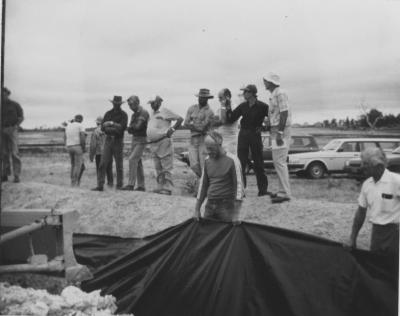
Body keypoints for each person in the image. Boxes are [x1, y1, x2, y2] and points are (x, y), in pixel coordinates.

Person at [348, 147, 399, 256]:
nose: (362, 167)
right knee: (377, 266)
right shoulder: (367, 184)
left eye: (366, 164)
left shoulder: (396, 181)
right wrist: (353, 237)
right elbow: (361, 212)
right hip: (377, 233)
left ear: (378, 166)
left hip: (395, 233)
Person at [225, 84, 269, 196]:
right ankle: (241, 191)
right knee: (241, 163)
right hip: (243, 134)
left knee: (259, 163)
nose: (243, 94)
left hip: (255, 135)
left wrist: (264, 127)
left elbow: (273, 118)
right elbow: (231, 119)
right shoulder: (242, 106)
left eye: (245, 92)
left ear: (252, 93)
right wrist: (228, 107)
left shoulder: (263, 106)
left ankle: (263, 191)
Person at [194, 131, 244, 221]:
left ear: (219, 145)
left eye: (211, 149)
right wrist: (197, 209)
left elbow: (239, 188)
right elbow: (203, 186)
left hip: (226, 207)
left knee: (227, 234)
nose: (208, 152)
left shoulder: (233, 161)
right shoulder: (207, 161)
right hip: (209, 205)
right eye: (207, 148)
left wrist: (236, 214)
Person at [263, 73, 292, 203]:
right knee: (278, 161)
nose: (264, 82)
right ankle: (282, 191)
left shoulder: (280, 93)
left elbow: (284, 112)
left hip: (281, 130)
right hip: (275, 129)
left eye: (266, 81)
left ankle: (285, 193)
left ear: (271, 82)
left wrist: (280, 132)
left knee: (279, 161)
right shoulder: (274, 94)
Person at [147, 96, 183, 195]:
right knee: (158, 166)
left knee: (167, 166)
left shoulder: (165, 111)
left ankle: (168, 188)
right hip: (154, 144)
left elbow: (180, 119)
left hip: (164, 142)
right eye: (151, 104)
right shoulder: (152, 115)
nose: (152, 105)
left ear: (159, 103)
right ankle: (160, 186)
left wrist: (173, 129)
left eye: (154, 103)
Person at [92, 95, 128, 191]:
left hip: (118, 140)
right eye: (115, 103)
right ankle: (100, 185)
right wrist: (115, 127)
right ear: (113, 103)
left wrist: (111, 123)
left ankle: (119, 185)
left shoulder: (124, 115)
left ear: (120, 104)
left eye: (118, 104)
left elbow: (121, 129)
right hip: (108, 140)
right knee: (103, 162)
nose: (116, 105)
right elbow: (103, 128)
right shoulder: (108, 113)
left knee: (119, 164)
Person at [184, 88, 215, 177]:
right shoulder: (192, 108)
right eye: (200, 97)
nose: (201, 99)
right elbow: (185, 123)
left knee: (203, 164)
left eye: (203, 97)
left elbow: (203, 128)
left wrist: (192, 126)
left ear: (207, 99)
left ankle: (203, 183)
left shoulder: (210, 111)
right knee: (193, 165)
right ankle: (203, 180)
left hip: (203, 139)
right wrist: (197, 127)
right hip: (193, 139)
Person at [122, 95, 149, 191]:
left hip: (141, 139)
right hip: (135, 138)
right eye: (129, 105)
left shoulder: (144, 112)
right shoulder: (134, 115)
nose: (130, 107)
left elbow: (137, 127)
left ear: (137, 103)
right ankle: (141, 186)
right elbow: (132, 129)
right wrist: (132, 128)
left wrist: (131, 128)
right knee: (138, 162)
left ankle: (131, 184)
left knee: (132, 159)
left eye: (131, 105)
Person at [1, 87, 24, 183]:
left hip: (13, 129)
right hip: (2, 130)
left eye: (4, 93)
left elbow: (21, 117)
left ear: (7, 93)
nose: (2, 95)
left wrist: (15, 127)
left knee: (15, 153)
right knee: (4, 153)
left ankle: (16, 175)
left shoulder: (15, 105)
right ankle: (5, 174)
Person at [89, 116, 113, 188]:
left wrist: (91, 155)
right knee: (109, 169)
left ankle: (100, 184)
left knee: (100, 169)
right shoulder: (110, 130)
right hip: (109, 152)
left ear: (97, 122)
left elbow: (93, 145)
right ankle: (110, 184)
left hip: (99, 153)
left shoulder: (95, 131)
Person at [64, 114, 86, 187]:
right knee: (78, 165)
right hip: (77, 146)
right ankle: (75, 183)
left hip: (69, 146)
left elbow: (64, 137)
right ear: (81, 119)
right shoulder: (80, 125)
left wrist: (66, 145)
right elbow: (82, 136)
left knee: (73, 165)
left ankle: (72, 182)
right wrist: (83, 147)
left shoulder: (68, 126)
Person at [215, 88, 238, 154]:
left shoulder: (234, 107)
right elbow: (215, 122)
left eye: (221, 97)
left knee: (230, 159)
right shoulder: (219, 108)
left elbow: (224, 120)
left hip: (230, 139)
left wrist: (223, 106)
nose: (219, 100)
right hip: (220, 139)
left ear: (227, 97)